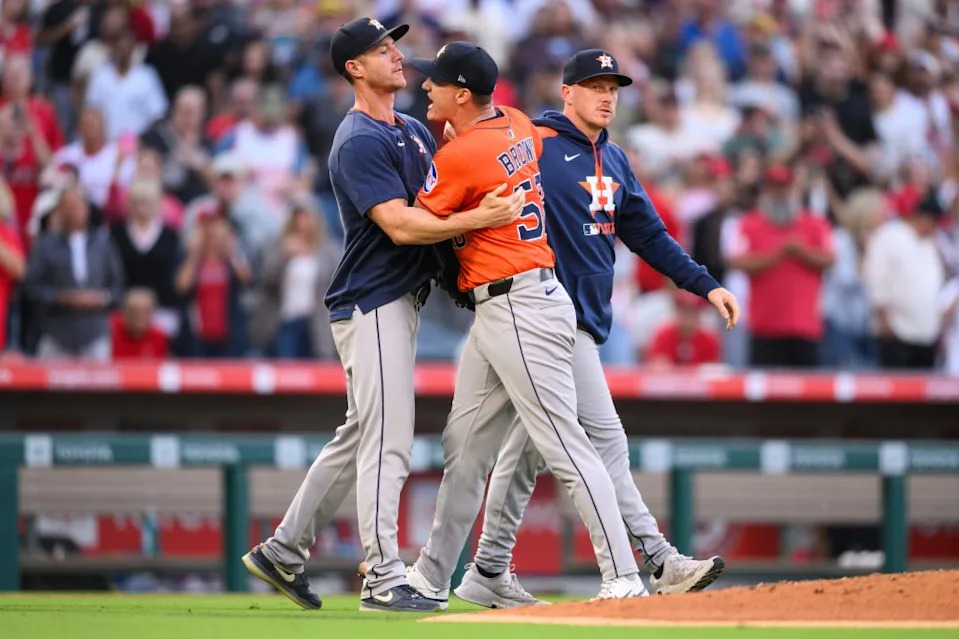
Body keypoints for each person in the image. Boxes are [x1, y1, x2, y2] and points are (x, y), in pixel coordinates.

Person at [408, 49, 738, 610]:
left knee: (521, 451)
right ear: (568, 92)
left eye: (613, 87)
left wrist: (704, 284)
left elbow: (650, 236)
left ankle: (485, 567)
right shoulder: (533, 139)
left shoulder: (615, 160)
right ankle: (655, 559)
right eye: (593, 85)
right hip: (534, 307)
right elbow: (478, 182)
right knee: (586, 441)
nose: (606, 96)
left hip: (557, 315)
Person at [241, 18, 524, 614]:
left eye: (393, 45)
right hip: (371, 300)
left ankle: (283, 551)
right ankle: (381, 575)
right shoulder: (357, 139)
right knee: (389, 439)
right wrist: (480, 221)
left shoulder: (415, 132)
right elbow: (400, 225)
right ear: (354, 68)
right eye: (380, 49)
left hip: (401, 299)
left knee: (359, 434)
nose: (396, 56)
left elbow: (437, 219)